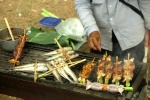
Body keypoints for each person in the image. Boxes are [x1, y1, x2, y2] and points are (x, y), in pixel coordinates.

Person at [74, 0, 150, 62]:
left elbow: (145, 2)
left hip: (131, 34)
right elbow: (82, 3)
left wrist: (148, 27)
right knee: (100, 75)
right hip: (101, 39)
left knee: (134, 74)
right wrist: (91, 29)